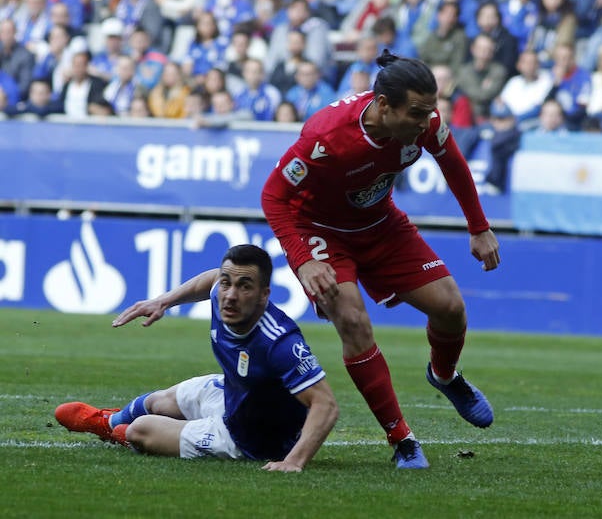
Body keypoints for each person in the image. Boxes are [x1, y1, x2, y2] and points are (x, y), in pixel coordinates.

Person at [261, 50, 499, 470]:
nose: (425, 123)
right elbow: (273, 196)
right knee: (353, 321)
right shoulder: (327, 138)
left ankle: (444, 376)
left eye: (431, 112)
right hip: (321, 231)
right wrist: (303, 259)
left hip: (381, 224)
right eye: (417, 113)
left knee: (451, 308)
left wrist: (478, 227)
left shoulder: (425, 123)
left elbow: (454, 164)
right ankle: (402, 440)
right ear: (384, 106)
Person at [55, 245, 339, 472]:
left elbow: (325, 405)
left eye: (244, 286)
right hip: (234, 396)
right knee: (158, 401)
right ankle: (109, 422)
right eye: (227, 283)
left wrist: (294, 461)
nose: (230, 295)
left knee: (140, 430)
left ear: (264, 295)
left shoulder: (279, 343)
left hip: (250, 440)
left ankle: (123, 433)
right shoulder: (222, 294)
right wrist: (164, 300)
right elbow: (211, 280)